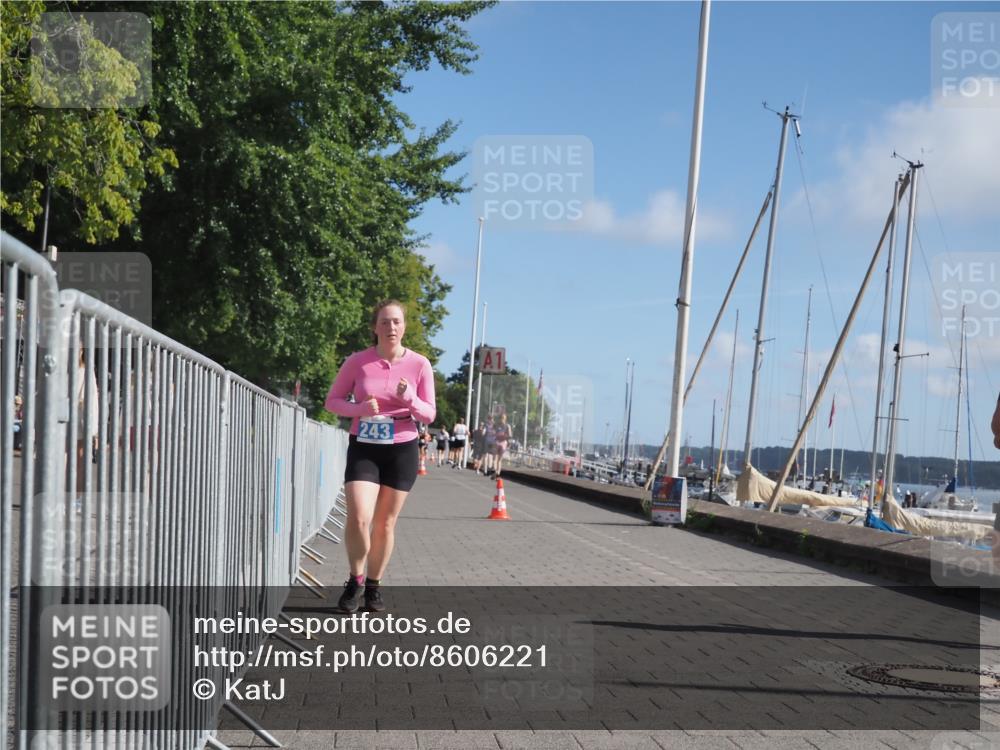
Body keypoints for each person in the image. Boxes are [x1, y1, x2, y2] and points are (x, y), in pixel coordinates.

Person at [324, 299, 435, 614]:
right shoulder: (357, 362)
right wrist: (358, 409)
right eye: (384, 322)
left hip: (402, 445)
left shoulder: (419, 364)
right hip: (365, 443)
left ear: (405, 326)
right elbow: (332, 401)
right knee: (359, 516)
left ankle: (373, 586)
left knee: (385, 523)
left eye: (397, 321)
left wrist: (410, 398)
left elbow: (429, 414)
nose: (391, 327)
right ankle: (355, 579)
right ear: (375, 327)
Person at [493, 413, 512, 478]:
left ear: (505, 419)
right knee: (495, 458)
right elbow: (494, 433)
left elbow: (510, 435)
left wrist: (505, 435)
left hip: (503, 443)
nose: (502, 419)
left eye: (503, 418)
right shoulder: (497, 425)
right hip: (497, 442)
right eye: (501, 418)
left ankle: (498, 473)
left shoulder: (507, 426)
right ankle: (495, 472)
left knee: (499, 459)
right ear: (500, 418)